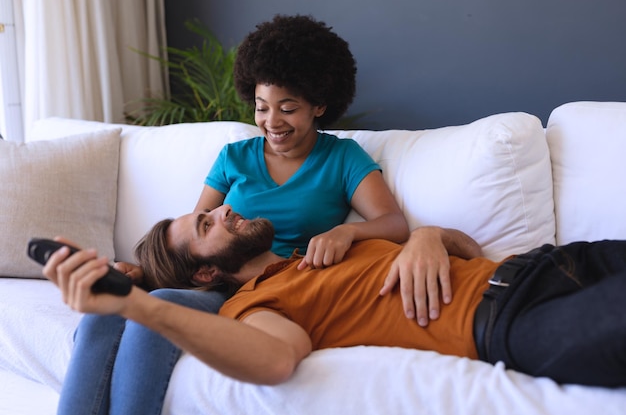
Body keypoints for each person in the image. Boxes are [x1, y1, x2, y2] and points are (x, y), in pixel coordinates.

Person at [56, 14, 465, 415]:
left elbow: (393, 225)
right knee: (97, 319)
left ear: (319, 104)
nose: (272, 122)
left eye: (287, 108)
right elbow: (197, 235)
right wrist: (143, 272)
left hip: (273, 292)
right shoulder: (234, 156)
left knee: (159, 311)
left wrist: (347, 234)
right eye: (262, 107)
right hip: (219, 280)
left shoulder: (342, 157)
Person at [45, 205, 626, 388]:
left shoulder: (324, 247)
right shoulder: (252, 305)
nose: (223, 207)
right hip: (513, 319)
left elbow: (468, 247)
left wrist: (426, 237)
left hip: (551, 262)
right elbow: (272, 360)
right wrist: (135, 305)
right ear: (203, 276)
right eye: (207, 226)